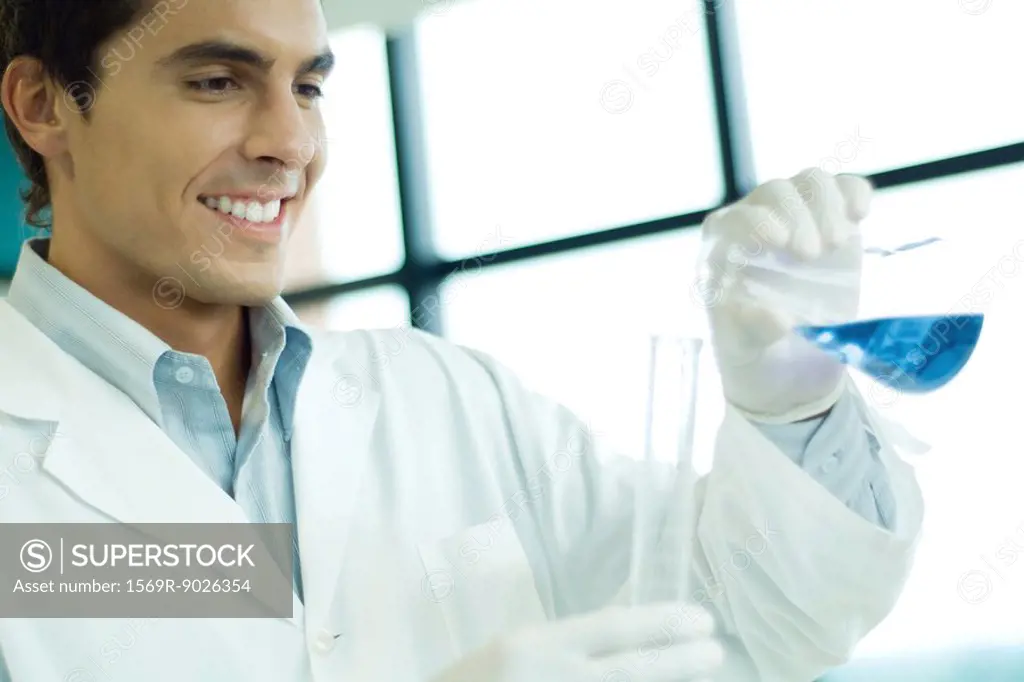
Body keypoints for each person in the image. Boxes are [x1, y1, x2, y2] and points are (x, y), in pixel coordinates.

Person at [0, 0, 923, 680]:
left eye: (310, 87)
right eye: (216, 81)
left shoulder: (448, 399)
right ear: (43, 105)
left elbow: (760, 622)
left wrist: (793, 405)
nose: (292, 142)